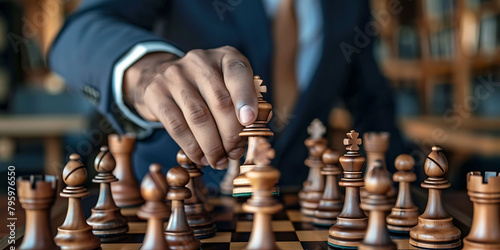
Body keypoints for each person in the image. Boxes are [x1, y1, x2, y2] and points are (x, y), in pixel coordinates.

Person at [49, 0, 405, 187]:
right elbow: (75, 36)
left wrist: (405, 186)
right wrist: (150, 71)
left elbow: (373, 103)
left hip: (296, 200)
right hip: (172, 194)